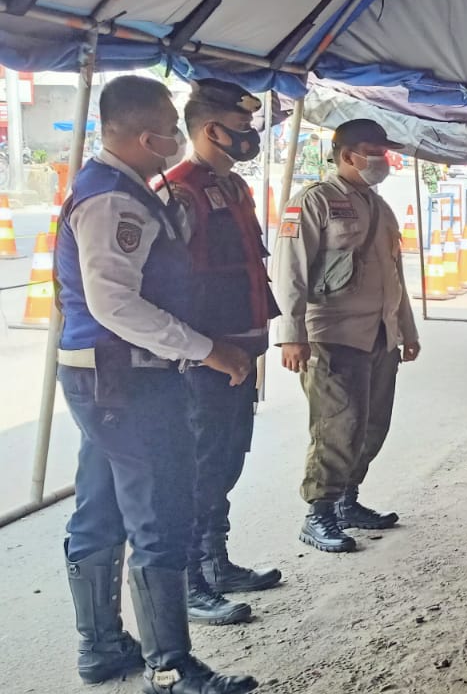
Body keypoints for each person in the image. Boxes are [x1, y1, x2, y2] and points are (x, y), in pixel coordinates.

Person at [55, 75, 257, 693]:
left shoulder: (119, 188)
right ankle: (170, 667)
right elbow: (115, 303)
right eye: (173, 126)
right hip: (128, 381)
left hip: (103, 381)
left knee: (101, 506)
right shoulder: (115, 201)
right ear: (149, 136)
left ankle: (103, 646)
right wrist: (206, 349)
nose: (178, 136)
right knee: (158, 515)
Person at [158, 79, 282, 626]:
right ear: (212, 131)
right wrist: (202, 350)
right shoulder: (179, 190)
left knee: (227, 460)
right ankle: (190, 581)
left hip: (242, 348)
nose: (250, 137)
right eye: (243, 129)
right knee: (198, 466)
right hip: (205, 356)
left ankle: (217, 560)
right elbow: (168, 284)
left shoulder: (234, 189)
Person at [272, 119, 420, 554]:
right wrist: (290, 335)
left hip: (379, 335)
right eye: (374, 151)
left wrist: (406, 331)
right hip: (332, 335)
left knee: (373, 424)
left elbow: (395, 277)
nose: (383, 160)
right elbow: (290, 272)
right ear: (347, 155)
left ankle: (346, 502)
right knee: (339, 426)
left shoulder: (380, 208)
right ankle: (318, 512)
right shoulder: (314, 202)